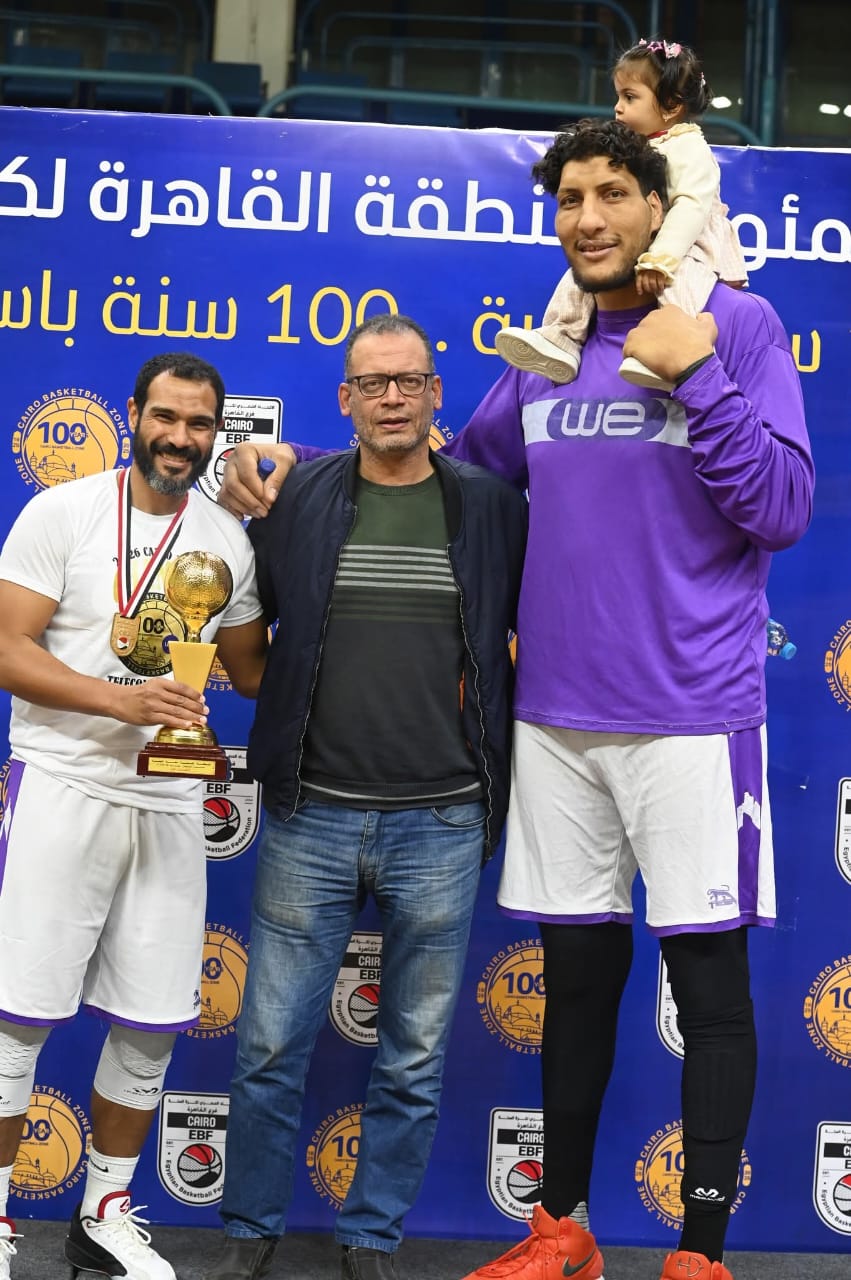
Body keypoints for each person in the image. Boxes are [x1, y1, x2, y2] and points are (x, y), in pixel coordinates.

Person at [216, 120, 814, 1280]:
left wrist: (696, 372)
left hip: (692, 714)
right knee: (574, 983)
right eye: (568, 199)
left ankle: (698, 1253)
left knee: (707, 986)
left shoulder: (735, 324)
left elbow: (780, 508)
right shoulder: (551, 346)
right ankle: (562, 1228)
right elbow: (440, 468)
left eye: (611, 193)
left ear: (659, 209)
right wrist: (291, 468)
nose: (586, 218)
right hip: (552, 719)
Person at [204, 314, 527, 1280]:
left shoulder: (493, 508)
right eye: (373, 383)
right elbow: (247, 637)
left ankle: (372, 1235)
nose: (392, 398)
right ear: (344, 399)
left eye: (409, 381)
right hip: (312, 811)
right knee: (269, 1045)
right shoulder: (294, 499)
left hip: (444, 818)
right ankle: (248, 1231)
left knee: (414, 1055)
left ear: (436, 395)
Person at [0, 352, 268, 1280]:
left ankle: (104, 1214)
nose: (179, 438)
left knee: (152, 1021)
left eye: (199, 425)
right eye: (166, 417)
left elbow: (254, 671)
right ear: (134, 415)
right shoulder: (64, 511)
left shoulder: (227, 542)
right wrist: (120, 702)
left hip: (169, 798)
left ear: (215, 434)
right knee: (17, 1018)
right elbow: (6, 646)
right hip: (63, 781)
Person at [495, 38, 748, 392]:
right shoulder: (640, 147)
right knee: (583, 276)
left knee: (678, 285)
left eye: (630, 97)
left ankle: (670, 351)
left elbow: (691, 207)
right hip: (649, 243)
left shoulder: (690, 147)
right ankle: (562, 337)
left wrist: (663, 258)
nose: (618, 107)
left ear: (672, 105)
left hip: (687, 245)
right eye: (618, 97)